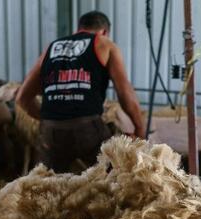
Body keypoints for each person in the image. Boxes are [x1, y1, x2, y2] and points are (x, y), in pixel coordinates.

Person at [16, 10, 146, 173]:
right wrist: (139, 129)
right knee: (112, 176)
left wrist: (48, 119)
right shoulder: (104, 44)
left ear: (78, 29)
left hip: (50, 132)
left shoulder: (51, 47)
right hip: (87, 128)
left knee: (47, 182)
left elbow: (22, 97)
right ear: (104, 32)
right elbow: (124, 92)